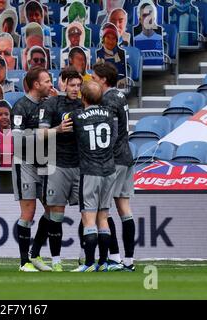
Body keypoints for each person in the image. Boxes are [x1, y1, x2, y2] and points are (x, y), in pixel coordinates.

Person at [31, 70, 83, 272]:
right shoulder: (51, 104)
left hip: (80, 165)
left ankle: (84, 255)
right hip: (57, 164)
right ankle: (56, 259)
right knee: (56, 214)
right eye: (72, 85)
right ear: (63, 84)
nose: (76, 89)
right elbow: (40, 135)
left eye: (79, 85)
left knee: (86, 213)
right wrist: (59, 129)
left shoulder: (83, 105)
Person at [91, 62, 136, 271]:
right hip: (127, 155)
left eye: (94, 78)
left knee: (103, 210)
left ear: (103, 80)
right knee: (124, 209)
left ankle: (116, 257)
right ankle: (129, 261)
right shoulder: (120, 95)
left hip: (114, 159)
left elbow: (109, 132)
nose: (91, 81)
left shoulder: (108, 99)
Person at [69, 80, 116, 272]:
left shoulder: (77, 116)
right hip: (109, 170)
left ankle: (88, 264)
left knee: (89, 220)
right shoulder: (110, 114)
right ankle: (103, 262)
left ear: (83, 97)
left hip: (90, 171)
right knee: (103, 218)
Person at [11, 66, 53, 272]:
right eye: (47, 81)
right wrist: (46, 133)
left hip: (46, 163)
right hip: (25, 163)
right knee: (28, 211)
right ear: (36, 84)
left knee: (52, 209)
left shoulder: (48, 104)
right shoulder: (21, 107)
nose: (50, 84)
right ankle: (23, 262)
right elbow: (17, 140)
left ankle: (34, 254)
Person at [96, 23, 127, 88]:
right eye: (108, 37)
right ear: (103, 39)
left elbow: (123, 73)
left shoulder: (121, 54)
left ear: (116, 41)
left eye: (113, 38)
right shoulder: (98, 54)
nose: (110, 41)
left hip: (119, 85)